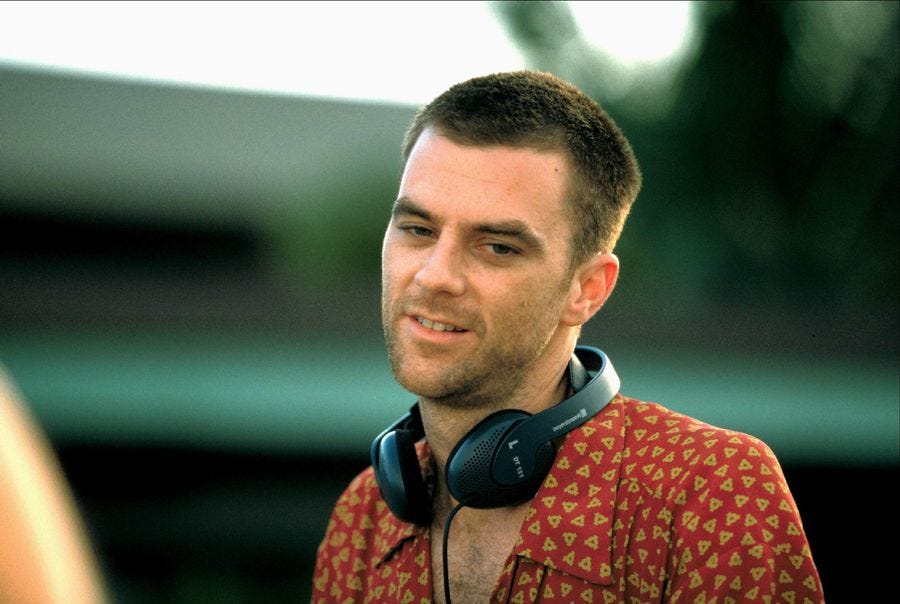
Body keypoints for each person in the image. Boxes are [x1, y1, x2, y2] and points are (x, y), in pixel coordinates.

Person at [311, 71, 823, 603]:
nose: (435, 276)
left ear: (588, 289)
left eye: (498, 247)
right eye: (418, 229)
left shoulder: (710, 491)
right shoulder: (360, 521)